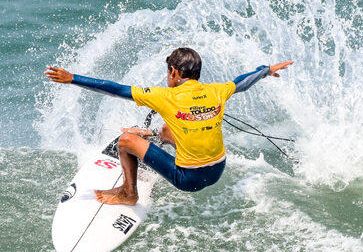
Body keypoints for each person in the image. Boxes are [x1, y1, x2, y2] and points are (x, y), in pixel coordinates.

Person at [45, 48, 293, 206]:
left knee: (125, 141)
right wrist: (267, 70)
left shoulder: (165, 96)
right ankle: (153, 136)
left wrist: (72, 78)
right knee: (168, 129)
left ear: (174, 72)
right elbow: (243, 82)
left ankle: (128, 194)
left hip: (188, 179)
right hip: (217, 170)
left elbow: (116, 89)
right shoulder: (217, 90)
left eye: (168, 72)